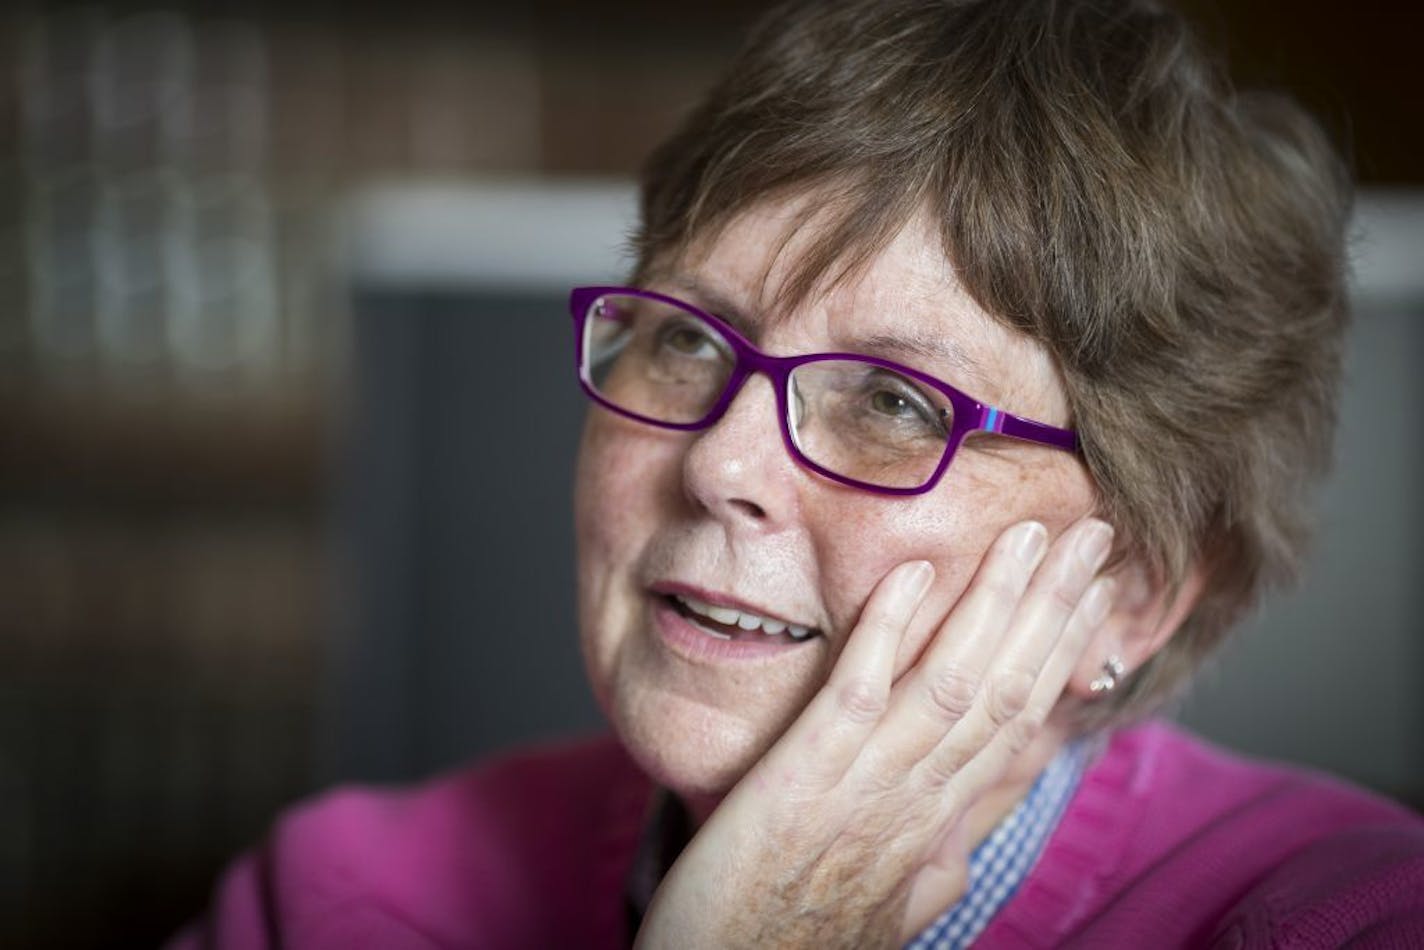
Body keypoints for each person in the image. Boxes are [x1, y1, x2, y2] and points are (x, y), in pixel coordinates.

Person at [174, 0, 1424, 946]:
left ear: (1135, 587)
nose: (718, 461)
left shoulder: (1353, 914)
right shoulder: (337, 900)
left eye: (892, 401)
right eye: (683, 338)